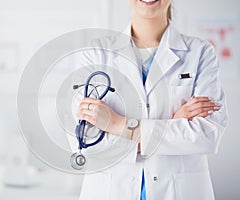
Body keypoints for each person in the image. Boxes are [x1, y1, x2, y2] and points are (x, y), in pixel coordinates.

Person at [75, 0, 228, 199]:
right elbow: (86, 142)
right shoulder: (95, 53)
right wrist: (172, 125)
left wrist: (115, 124)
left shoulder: (200, 52)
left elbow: (207, 136)